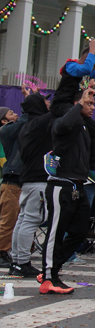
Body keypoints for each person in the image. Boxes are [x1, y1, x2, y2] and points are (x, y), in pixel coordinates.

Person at [40, 87, 95, 294]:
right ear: (76, 104)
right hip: (61, 184)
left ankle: (51, 267)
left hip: (79, 184)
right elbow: (63, 124)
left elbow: (93, 155)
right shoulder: (61, 122)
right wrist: (80, 102)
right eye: (88, 103)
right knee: (55, 231)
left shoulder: (84, 127)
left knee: (80, 231)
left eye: (93, 104)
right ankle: (49, 277)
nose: (92, 107)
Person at [9, 93, 52, 277]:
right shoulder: (39, 124)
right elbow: (57, 111)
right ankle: (23, 262)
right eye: (45, 100)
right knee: (31, 220)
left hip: (28, 179)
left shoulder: (28, 125)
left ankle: (17, 260)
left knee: (23, 219)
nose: (48, 102)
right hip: (38, 179)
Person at [50, 39, 95, 119]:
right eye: (94, 65)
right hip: (62, 104)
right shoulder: (71, 66)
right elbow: (87, 68)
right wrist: (92, 49)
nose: (94, 69)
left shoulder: (88, 71)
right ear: (87, 59)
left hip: (75, 105)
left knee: (92, 126)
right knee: (77, 119)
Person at [0, 99, 25, 268]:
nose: (15, 114)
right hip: (10, 181)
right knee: (7, 220)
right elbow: (23, 122)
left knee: (13, 219)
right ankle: (1, 251)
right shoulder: (7, 131)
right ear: (3, 120)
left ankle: (7, 250)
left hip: (15, 182)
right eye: (10, 113)